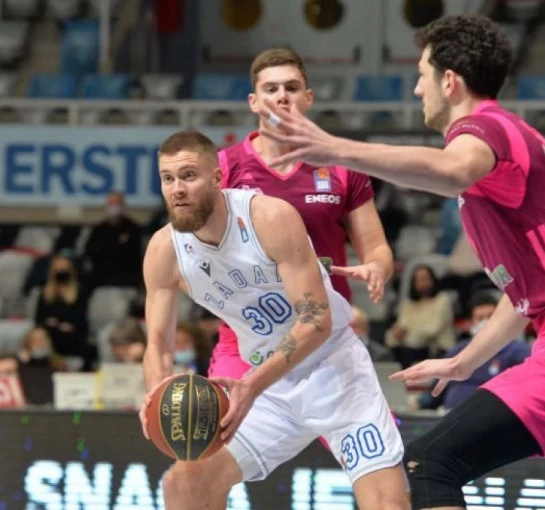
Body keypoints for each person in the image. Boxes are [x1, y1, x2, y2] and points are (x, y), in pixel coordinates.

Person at [256, 14, 545, 510]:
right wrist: (464, 362)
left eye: (422, 75)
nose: (418, 88)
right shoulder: (513, 141)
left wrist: (334, 149)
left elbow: (453, 170)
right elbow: (524, 296)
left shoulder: (486, 128)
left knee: (427, 466)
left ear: (450, 81)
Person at [139, 131, 408, 510]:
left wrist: (251, 385)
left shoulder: (268, 217)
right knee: (185, 484)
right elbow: (158, 343)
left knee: (387, 504)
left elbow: (316, 320)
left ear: (217, 178)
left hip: (333, 370)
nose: (177, 189)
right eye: (168, 179)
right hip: (267, 383)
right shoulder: (164, 250)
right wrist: (157, 393)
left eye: (188, 176)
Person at [210, 46, 393, 383]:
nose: (282, 96)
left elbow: (377, 248)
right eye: (271, 89)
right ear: (254, 102)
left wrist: (377, 268)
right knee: (226, 415)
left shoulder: (342, 167)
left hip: (326, 336)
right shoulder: (224, 167)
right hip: (249, 334)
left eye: (292, 87)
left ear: (308, 98)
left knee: (375, 420)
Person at [412, 292, 530, 411]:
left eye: (490, 317)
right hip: (449, 414)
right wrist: (416, 405)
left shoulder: (518, 353)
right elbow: (434, 393)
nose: (486, 322)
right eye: (480, 318)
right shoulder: (457, 351)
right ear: (470, 323)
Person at [385, 265, 455, 368]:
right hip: (410, 348)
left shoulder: (442, 300)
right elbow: (400, 327)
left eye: (425, 279)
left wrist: (408, 332)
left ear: (433, 280)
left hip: (437, 348)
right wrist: (396, 333)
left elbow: (432, 329)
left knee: (410, 349)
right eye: (419, 280)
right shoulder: (408, 305)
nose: (423, 283)